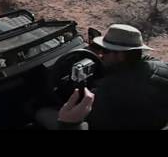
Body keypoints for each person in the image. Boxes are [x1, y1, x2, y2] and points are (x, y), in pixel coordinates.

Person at [38, 23, 168, 130]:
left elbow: (87, 120)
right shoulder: (162, 67)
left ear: (120, 56)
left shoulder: (104, 92)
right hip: (154, 121)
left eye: (105, 50)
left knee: (42, 113)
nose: (101, 55)